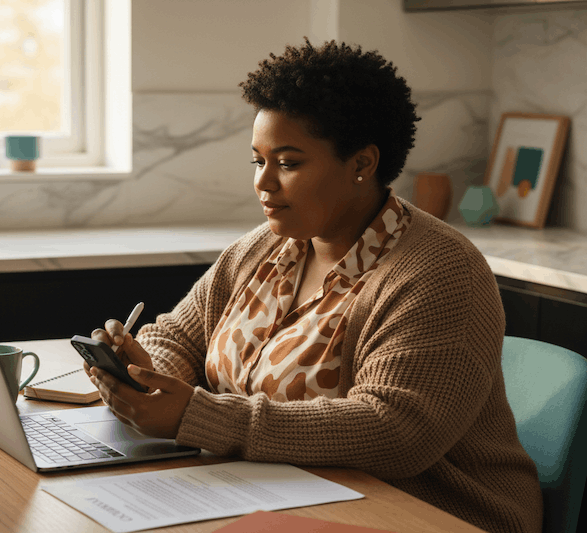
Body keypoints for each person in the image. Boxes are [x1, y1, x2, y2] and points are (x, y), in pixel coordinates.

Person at [85, 39, 543, 533]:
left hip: (423, 513)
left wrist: (196, 416)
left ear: (362, 164)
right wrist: (148, 375)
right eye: (257, 160)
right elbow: (177, 335)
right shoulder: (262, 248)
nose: (263, 183)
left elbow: (395, 432)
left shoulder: (440, 273)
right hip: (274, 496)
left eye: (287, 163)